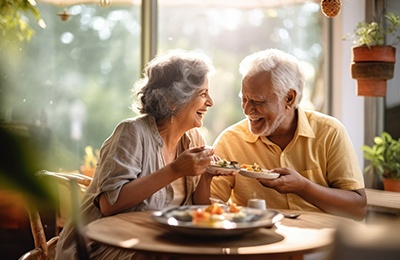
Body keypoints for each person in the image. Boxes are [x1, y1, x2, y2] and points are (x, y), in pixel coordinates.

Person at [56, 49, 218, 259]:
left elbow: (199, 209)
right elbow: (109, 205)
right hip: (105, 245)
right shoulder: (132, 132)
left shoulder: (193, 139)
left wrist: (207, 176)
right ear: (173, 101)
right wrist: (175, 170)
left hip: (161, 243)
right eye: (203, 93)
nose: (210, 102)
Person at [210, 48, 367, 221]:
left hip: (324, 243)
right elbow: (211, 206)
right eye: (244, 99)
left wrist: (304, 187)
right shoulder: (230, 141)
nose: (247, 110)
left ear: (289, 98)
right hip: (262, 242)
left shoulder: (330, 132)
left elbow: (357, 209)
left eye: (258, 101)